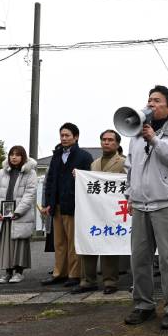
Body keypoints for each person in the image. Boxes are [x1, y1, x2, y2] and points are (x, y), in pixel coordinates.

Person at [123, 85, 168, 330]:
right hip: (141, 204)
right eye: (149, 100)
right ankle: (143, 304)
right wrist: (129, 195)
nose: (150, 104)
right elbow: (130, 168)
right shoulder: (135, 136)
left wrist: (154, 139)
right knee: (140, 258)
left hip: (166, 203)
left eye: (156, 100)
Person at [71, 130, 126, 295]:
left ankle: (110, 281)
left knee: (109, 245)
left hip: (113, 211)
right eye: (104, 139)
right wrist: (80, 177)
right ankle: (87, 280)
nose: (106, 142)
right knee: (89, 243)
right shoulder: (94, 164)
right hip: (93, 211)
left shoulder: (124, 162)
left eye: (110, 140)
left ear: (117, 143)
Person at [41, 123, 93, 287]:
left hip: (74, 205)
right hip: (56, 205)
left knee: (73, 242)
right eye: (62, 135)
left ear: (76, 137)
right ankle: (59, 273)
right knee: (59, 242)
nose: (64, 138)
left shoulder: (84, 156)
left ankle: (74, 274)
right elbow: (50, 181)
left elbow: (90, 180)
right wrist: (49, 202)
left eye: (67, 135)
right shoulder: (56, 156)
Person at [0, 146, 37, 284]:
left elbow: (30, 194)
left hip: (20, 215)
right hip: (3, 215)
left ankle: (19, 272)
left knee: (19, 243)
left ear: (23, 157)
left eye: (17, 155)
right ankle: (7, 273)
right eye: (11, 154)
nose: (14, 157)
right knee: (5, 244)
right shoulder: (1, 172)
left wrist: (18, 211)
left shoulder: (30, 173)